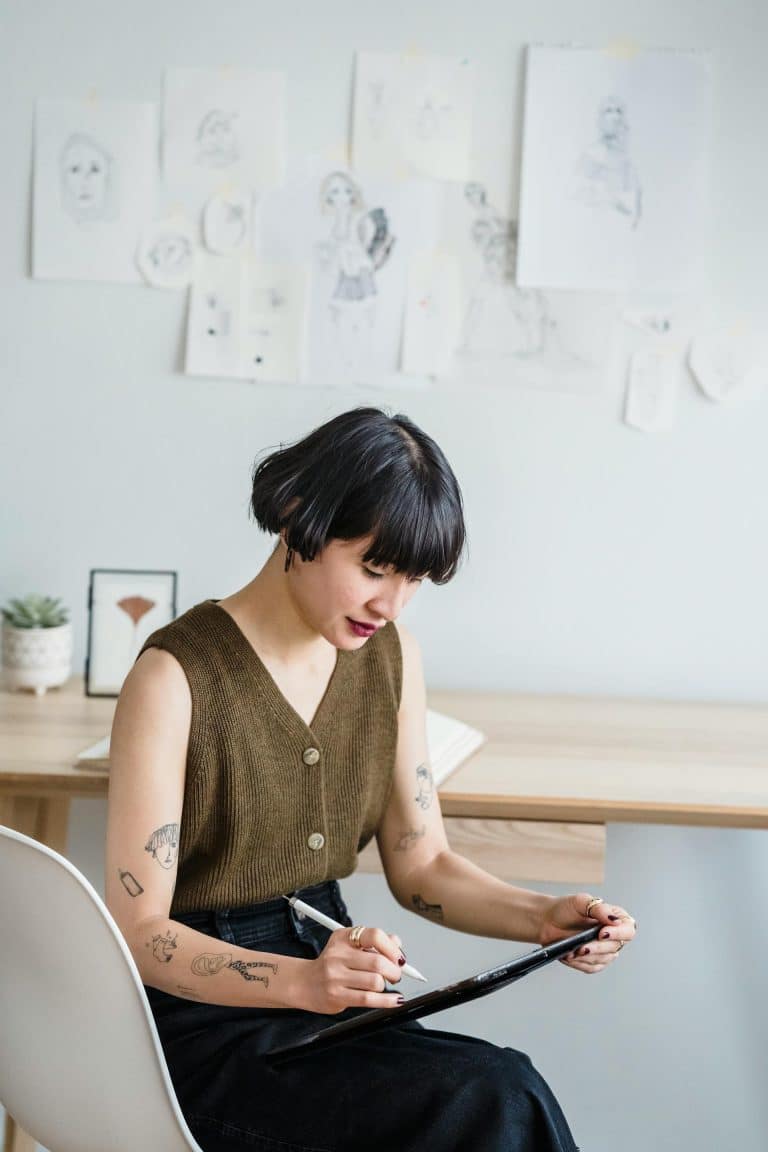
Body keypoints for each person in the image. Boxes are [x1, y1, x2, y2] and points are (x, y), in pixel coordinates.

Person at [105, 407, 636, 1152]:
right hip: (200, 1035)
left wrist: (540, 918)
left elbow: (422, 865)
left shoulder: (392, 659)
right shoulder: (173, 678)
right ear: (298, 521)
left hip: (330, 1003)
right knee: (489, 1098)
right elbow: (137, 934)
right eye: (374, 569)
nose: (389, 605)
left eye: (413, 578)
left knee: (497, 1089)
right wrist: (297, 984)